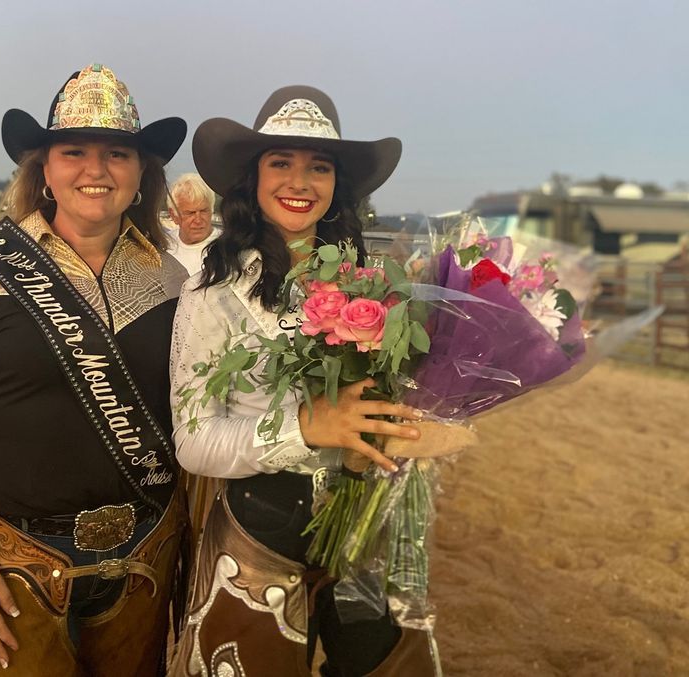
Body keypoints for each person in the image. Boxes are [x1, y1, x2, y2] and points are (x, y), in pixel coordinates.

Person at [0, 63, 189, 676]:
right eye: (74, 151)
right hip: (13, 567)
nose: (96, 169)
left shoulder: (175, 284)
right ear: (44, 169)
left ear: (142, 173)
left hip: (144, 561)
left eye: (118, 152)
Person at [168, 87, 438, 676]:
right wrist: (306, 428)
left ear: (338, 185)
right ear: (253, 178)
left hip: (362, 521)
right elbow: (192, 442)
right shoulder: (211, 294)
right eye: (281, 162)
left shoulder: (371, 283)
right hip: (258, 535)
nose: (301, 181)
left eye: (319, 166)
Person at [165, 173, 220, 276]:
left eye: (203, 211)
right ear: (173, 215)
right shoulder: (163, 247)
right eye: (190, 213)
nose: (198, 220)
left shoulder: (227, 248)